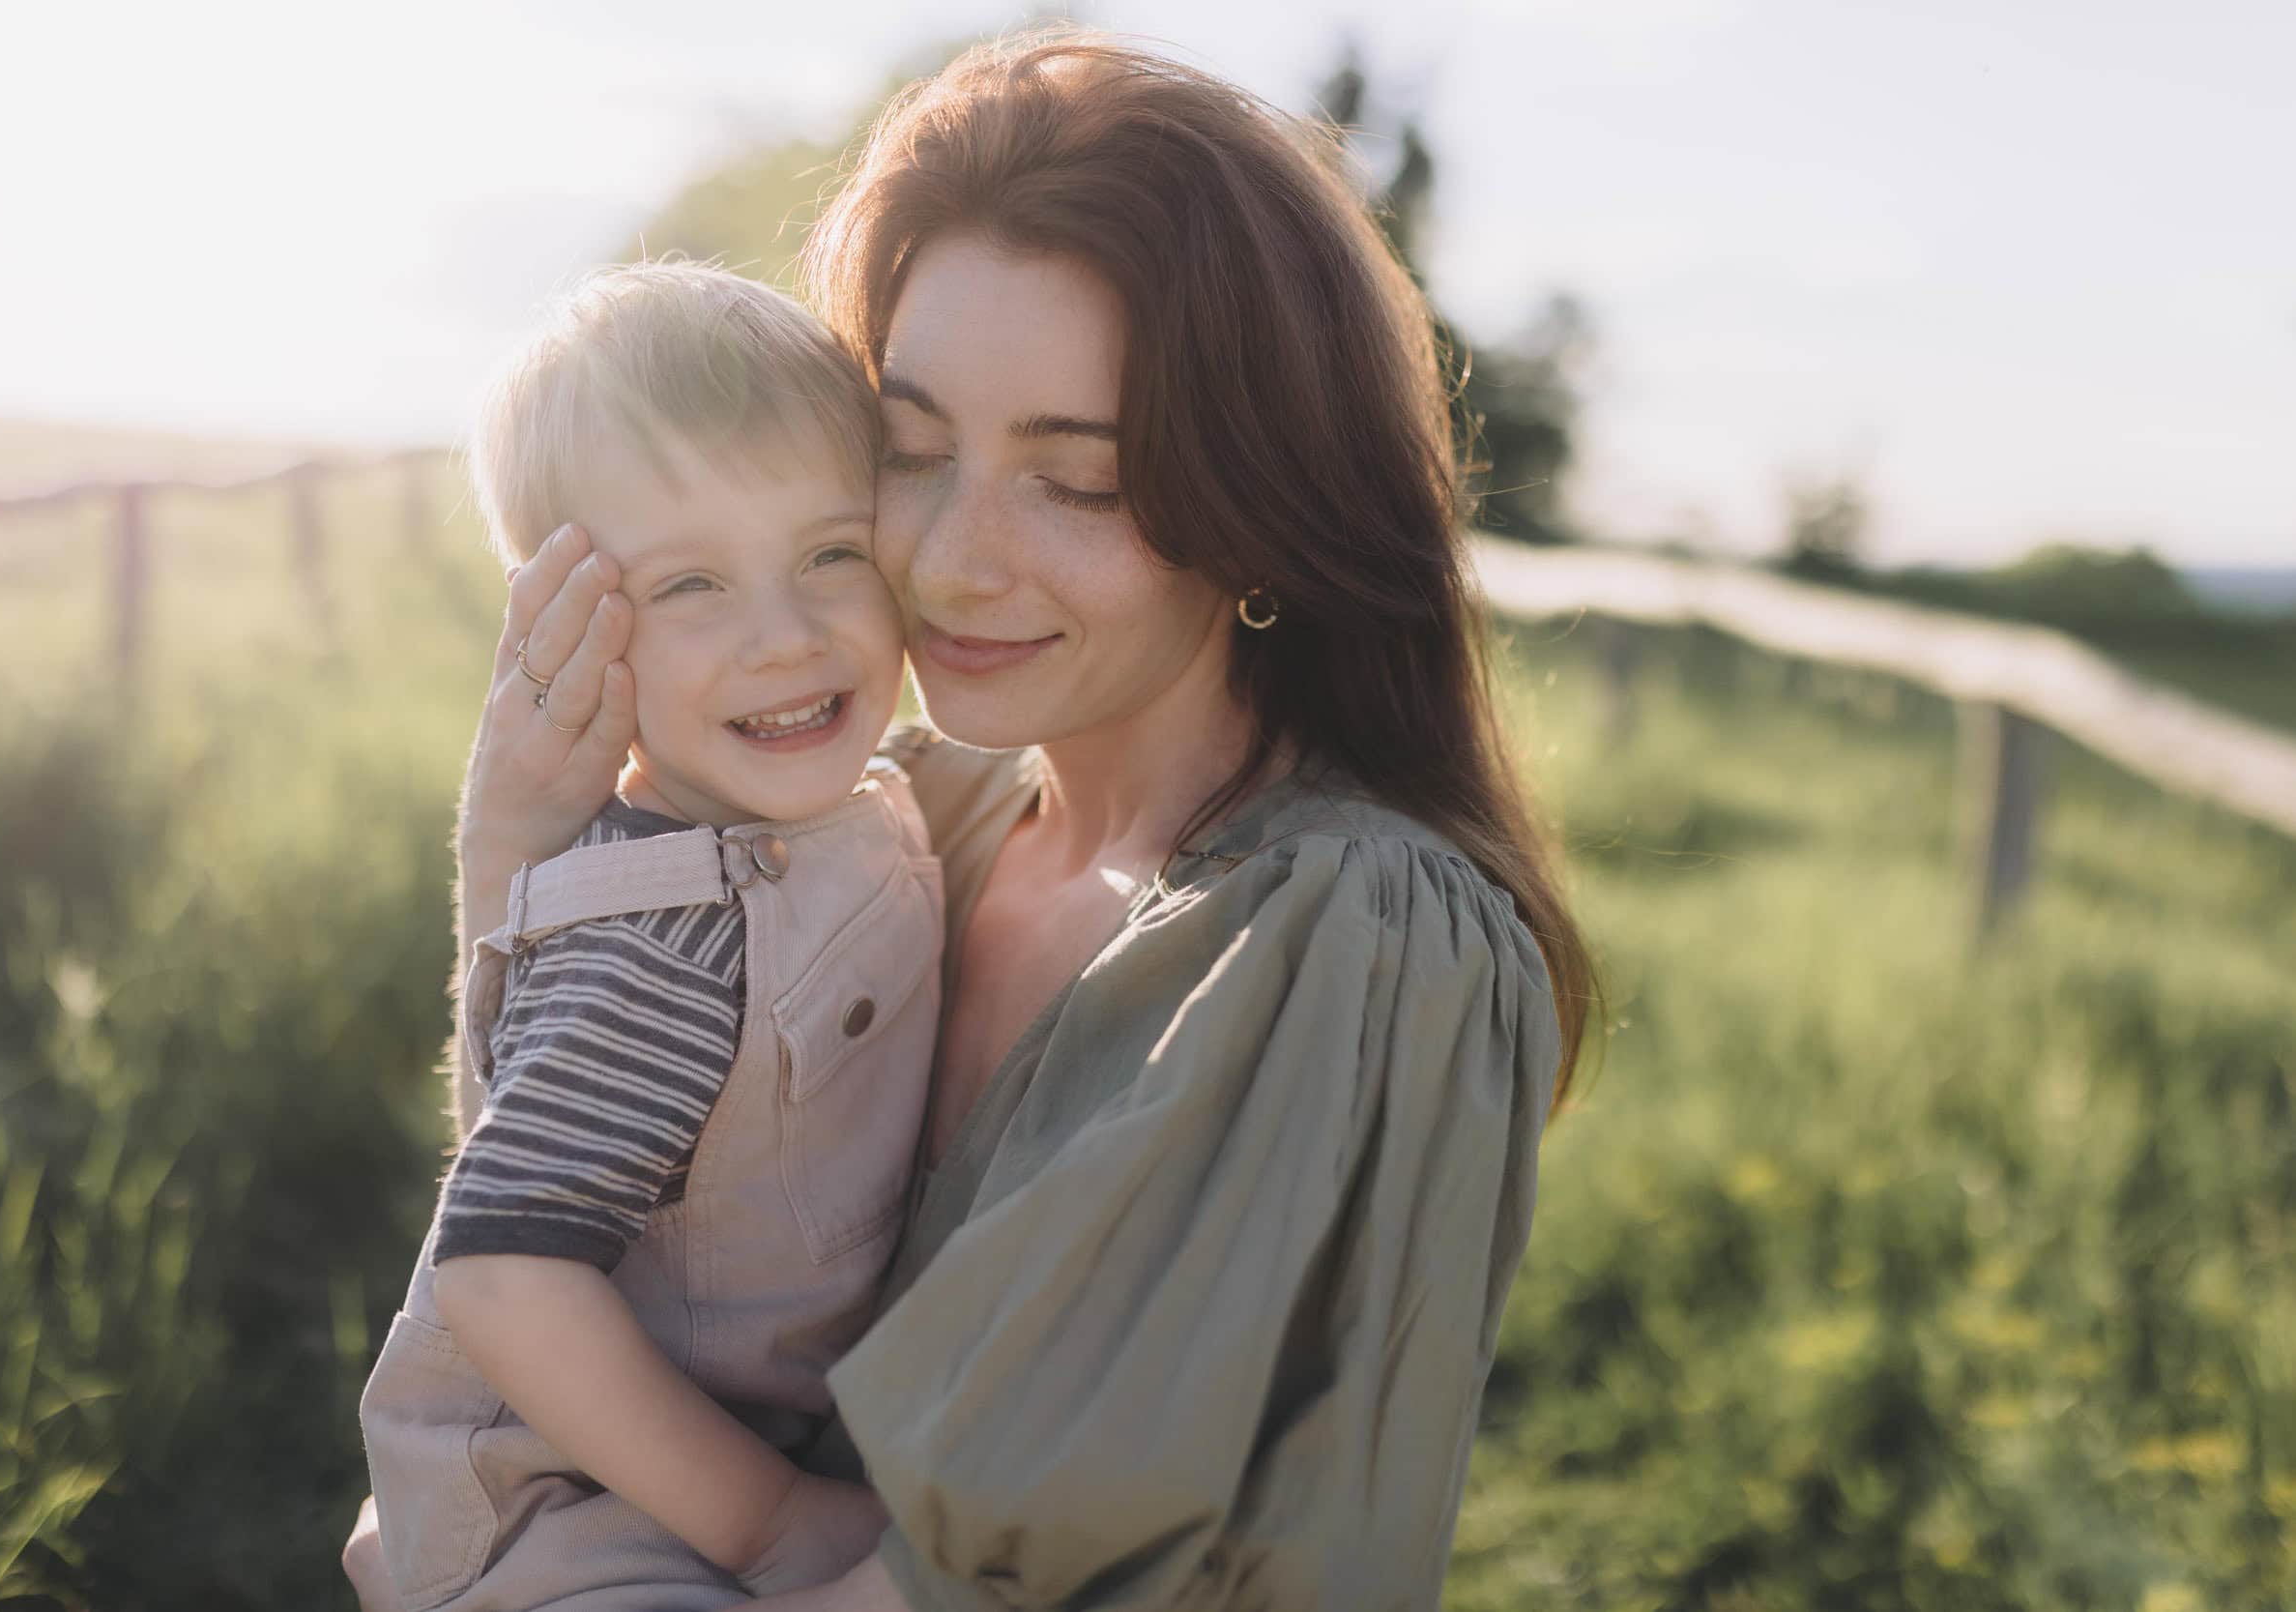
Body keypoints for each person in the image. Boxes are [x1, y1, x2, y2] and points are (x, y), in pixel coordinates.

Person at [349, 29, 1599, 1611]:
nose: (951, 561)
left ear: (1264, 499)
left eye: (1078, 482)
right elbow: (555, 1207)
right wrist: (514, 859)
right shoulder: (901, 821)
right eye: (912, 450)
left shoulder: (1340, 942)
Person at [355, 262, 934, 1612]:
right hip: (571, 1519)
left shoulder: (870, 808)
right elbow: (500, 1277)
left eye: (831, 553)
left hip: (707, 1458)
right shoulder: (665, 937)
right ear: (576, 629)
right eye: (690, 588)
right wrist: (773, 1523)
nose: (785, 637)